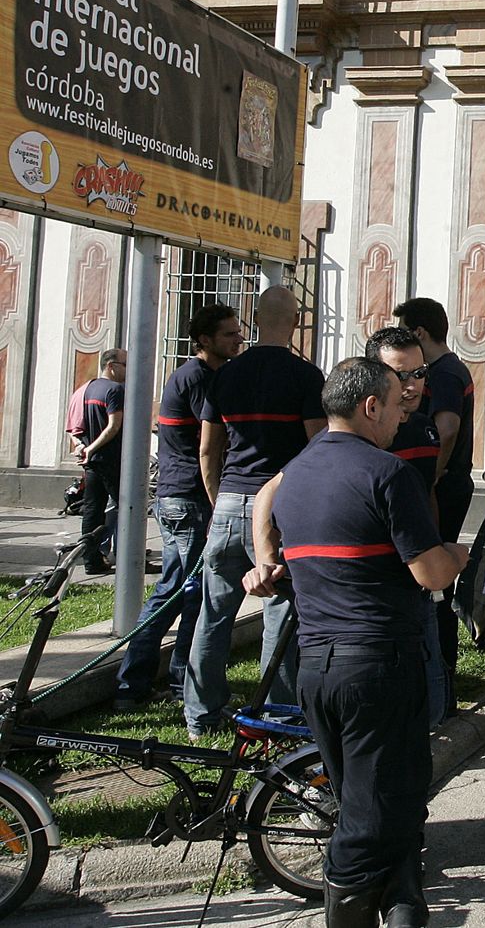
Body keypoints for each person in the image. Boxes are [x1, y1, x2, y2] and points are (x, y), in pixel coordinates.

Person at [244, 357, 467, 928]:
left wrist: (266, 560)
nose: (401, 415)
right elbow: (432, 575)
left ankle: (402, 906)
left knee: (380, 798)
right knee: (368, 818)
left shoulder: (295, 472)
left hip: (317, 665)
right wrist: (461, 556)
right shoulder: (388, 474)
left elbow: (262, 503)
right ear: (370, 406)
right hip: (377, 663)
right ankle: (354, 906)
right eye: (397, 403)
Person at [186, 286, 325, 740]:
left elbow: (209, 449)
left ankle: (199, 715)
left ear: (255, 319)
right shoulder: (305, 376)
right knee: (280, 613)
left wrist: (219, 501)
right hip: (279, 508)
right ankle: (277, 716)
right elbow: (316, 448)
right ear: (298, 319)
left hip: (228, 500)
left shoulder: (225, 375)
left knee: (212, 614)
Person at [114, 307, 244, 711]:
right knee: (185, 592)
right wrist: (216, 498)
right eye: (228, 335)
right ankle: (158, 683)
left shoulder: (201, 376)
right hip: (188, 497)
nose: (238, 341)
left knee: (179, 590)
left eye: (239, 333)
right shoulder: (199, 379)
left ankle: (150, 682)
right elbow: (211, 446)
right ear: (204, 340)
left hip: (180, 496)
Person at [393, 297, 476, 717]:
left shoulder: (443, 373)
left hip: (443, 488)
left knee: (436, 584)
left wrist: (432, 476)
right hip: (443, 485)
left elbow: (447, 427)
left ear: (421, 334)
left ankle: (441, 677)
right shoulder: (451, 369)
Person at [364, 327, 449, 728]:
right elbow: (276, 489)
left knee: (429, 694)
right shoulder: (360, 432)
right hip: (373, 587)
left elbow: (427, 491)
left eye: (419, 373)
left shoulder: (424, 426)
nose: (412, 385)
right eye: (401, 375)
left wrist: (431, 548)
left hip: (417, 575)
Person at [76, 349, 127, 575]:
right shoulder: (115, 390)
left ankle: (91, 560)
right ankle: (128, 558)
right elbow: (114, 426)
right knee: (128, 509)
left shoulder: (88, 388)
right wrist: (93, 447)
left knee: (92, 511)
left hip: (93, 462)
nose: (130, 369)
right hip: (111, 460)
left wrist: (82, 447)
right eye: (126, 364)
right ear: (112, 366)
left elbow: (75, 423)